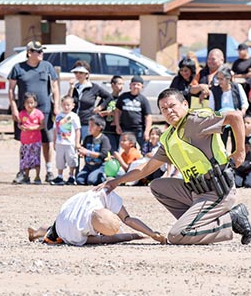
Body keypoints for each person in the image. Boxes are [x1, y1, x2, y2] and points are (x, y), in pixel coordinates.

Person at [97, 88, 251, 245]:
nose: (169, 111)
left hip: (217, 190)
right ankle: (198, 225)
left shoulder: (196, 119)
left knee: (177, 235)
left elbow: (235, 117)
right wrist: (115, 182)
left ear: (185, 104)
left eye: (172, 105)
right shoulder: (168, 137)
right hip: (196, 191)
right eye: (164, 109)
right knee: (158, 185)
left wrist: (240, 151)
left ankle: (232, 219)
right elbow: (146, 169)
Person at [27, 189, 166, 246]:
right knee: (54, 233)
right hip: (66, 224)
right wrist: (135, 236)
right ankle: (36, 233)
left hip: (71, 209)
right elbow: (108, 237)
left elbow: (126, 220)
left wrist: (151, 234)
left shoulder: (105, 193)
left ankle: (35, 232)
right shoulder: (75, 230)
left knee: (54, 227)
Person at [8, 40, 59, 183]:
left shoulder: (47, 66)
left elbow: (55, 87)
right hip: (24, 111)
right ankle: (23, 171)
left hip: (45, 109)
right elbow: (11, 89)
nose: (42, 53)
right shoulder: (18, 68)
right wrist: (13, 107)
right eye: (39, 51)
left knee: (46, 141)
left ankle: (49, 171)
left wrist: (56, 106)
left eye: (42, 51)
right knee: (25, 143)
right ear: (29, 52)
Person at [68, 60, 111, 141]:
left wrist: (101, 107)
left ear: (87, 74)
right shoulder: (75, 87)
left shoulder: (93, 87)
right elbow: (69, 100)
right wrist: (71, 87)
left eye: (81, 73)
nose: (78, 75)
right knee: (72, 145)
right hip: (73, 121)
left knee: (85, 144)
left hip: (86, 122)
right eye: (76, 73)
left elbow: (109, 96)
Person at [209, 65, 249, 148]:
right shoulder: (214, 90)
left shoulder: (237, 87)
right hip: (221, 120)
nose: (219, 81)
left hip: (236, 119)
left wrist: (242, 112)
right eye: (218, 78)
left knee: (237, 144)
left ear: (228, 78)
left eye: (221, 79)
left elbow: (244, 102)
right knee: (221, 144)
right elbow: (211, 107)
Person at [114, 75, 153, 149]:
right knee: (124, 148)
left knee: (143, 149)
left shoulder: (143, 100)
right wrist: (117, 125)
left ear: (142, 86)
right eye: (134, 84)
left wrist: (147, 132)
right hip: (125, 129)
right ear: (130, 85)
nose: (135, 86)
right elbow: (117, 112)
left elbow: (148, 116)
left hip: (139, 129)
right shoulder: (123, 97)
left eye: (138, 85)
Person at [51, 95, 81, 186]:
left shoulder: (74, 116)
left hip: (70, 143)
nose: (66, 107)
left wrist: (77, 142)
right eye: (64, 105)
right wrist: (54, 141)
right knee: (60, 160)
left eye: (68, 105)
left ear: (73, 106)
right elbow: (55, 129)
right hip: (60, 142)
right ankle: (60, 176)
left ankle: (71, 176)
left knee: (71, 159)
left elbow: (77, 130)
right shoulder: (58, 116)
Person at [17, 92, 45, 184]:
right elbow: (19, 123)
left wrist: (32, 128)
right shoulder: (22, 113)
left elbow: (42, 125)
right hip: (25, 141)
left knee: (36, 158)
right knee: (25, 159)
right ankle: (26, 176)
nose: (29, 105)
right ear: (24, 104)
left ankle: (37, 176)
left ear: (35, 103)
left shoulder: (38, 113)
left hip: (35, 140)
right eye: (27, 103)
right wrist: (21, 127)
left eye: (31, 102)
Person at [76, 115, 111, 186]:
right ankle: (90, 175)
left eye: (92, 125)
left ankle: (103, 176)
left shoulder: (104, 139)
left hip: (99, 166)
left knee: (91, 181)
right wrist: (81, 152)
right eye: (89, 125)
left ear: (99, 127)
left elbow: (103, 155)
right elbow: (84, 149)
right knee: (79, 180)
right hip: (88, 166)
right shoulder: (87, 138)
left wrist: (87, 152)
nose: (89, 128)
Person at [98, 75, 124, 153]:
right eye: (119, 84)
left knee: (117, 151)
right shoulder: (107, 98)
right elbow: (98, 113)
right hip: (107, 129)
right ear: (112, 85)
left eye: (123, 84)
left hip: (119, 129)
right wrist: (107, 113)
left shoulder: (122, 99)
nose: (121, 86)